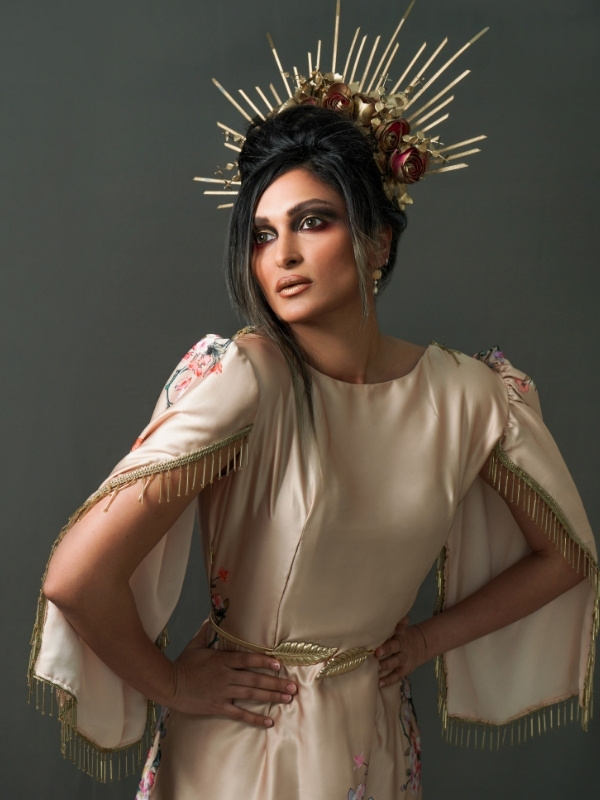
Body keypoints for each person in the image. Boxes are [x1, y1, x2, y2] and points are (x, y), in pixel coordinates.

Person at [29, 25, 597, 800]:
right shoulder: (248, 381)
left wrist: (427, 639)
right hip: (250, 741)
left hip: (375, 734)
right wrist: (172, 684)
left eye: (313, 221)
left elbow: (565, 557)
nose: (282, 256)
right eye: (263, 234)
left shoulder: (469, 396)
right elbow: (76, 576)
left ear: (378, 242)